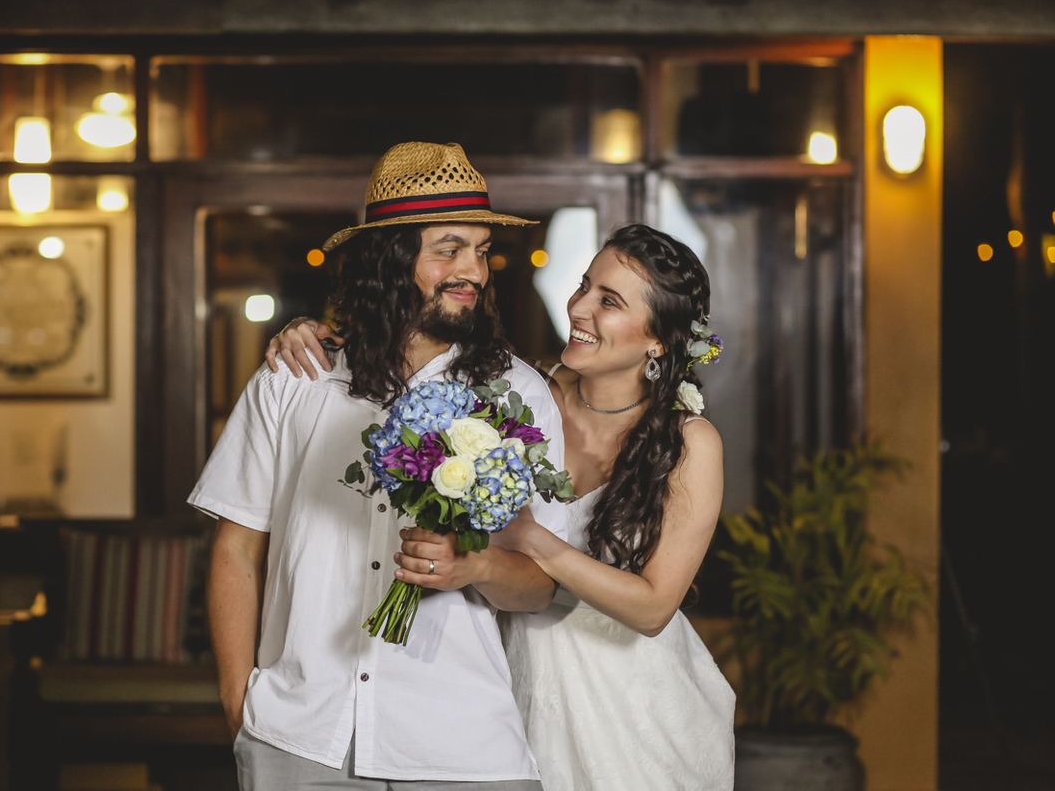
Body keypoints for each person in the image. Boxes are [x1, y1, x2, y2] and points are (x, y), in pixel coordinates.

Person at [269, 224, 736, 791]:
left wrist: (534, 540)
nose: (579, 307)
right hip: (518, 680)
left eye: (608, 301)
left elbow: (653, 608)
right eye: (585, 286)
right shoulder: (522, 393)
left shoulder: (690, 443)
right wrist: (307, 333)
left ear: (658, 339)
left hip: (631, 698)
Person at [191, 141, 567, 791]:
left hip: (461, 748)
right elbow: (235, 552)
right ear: (390, 261)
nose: (472, 270)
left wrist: (471, 566)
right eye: (449, 249)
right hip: (297, 738)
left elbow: (545, 585)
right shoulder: (294, 376)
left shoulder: (517, 394)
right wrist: (241, 708)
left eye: (482, 251)